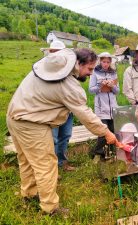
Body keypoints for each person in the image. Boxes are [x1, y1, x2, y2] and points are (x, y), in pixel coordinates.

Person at [6, 48, 117, 215]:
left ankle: (29, 195)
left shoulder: (54, 68)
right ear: (77, 63)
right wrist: (107, 133)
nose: (90, 73)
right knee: (46, 164)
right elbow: (85, 114)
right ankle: (50, 208)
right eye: (89, 68)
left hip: (15, 116)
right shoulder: (67, 84)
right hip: (31, 122)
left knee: (27, 160)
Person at [42, 40, 76, 171]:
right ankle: (53, 167)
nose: (57, 55)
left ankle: (62, 162)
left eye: (60, 52)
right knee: (53, 139)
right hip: (53, 111)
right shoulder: (44, 69)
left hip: (68, 109)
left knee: (66, 136)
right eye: (55, 52)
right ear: (50, 52)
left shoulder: (69, 68)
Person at [89, 52, 119, 160]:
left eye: (107, 62)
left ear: (110, 62)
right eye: (103, 61)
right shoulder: (94, 73)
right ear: (100, 61)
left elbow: (117, 91)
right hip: (101, 107)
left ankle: (110, 153)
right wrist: (100, 85)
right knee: (102, 132)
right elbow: (91, 90)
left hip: (113, 108)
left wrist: (112, 86)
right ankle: (97, 153)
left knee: (112, 130)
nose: (105, 64)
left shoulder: (114, 73)